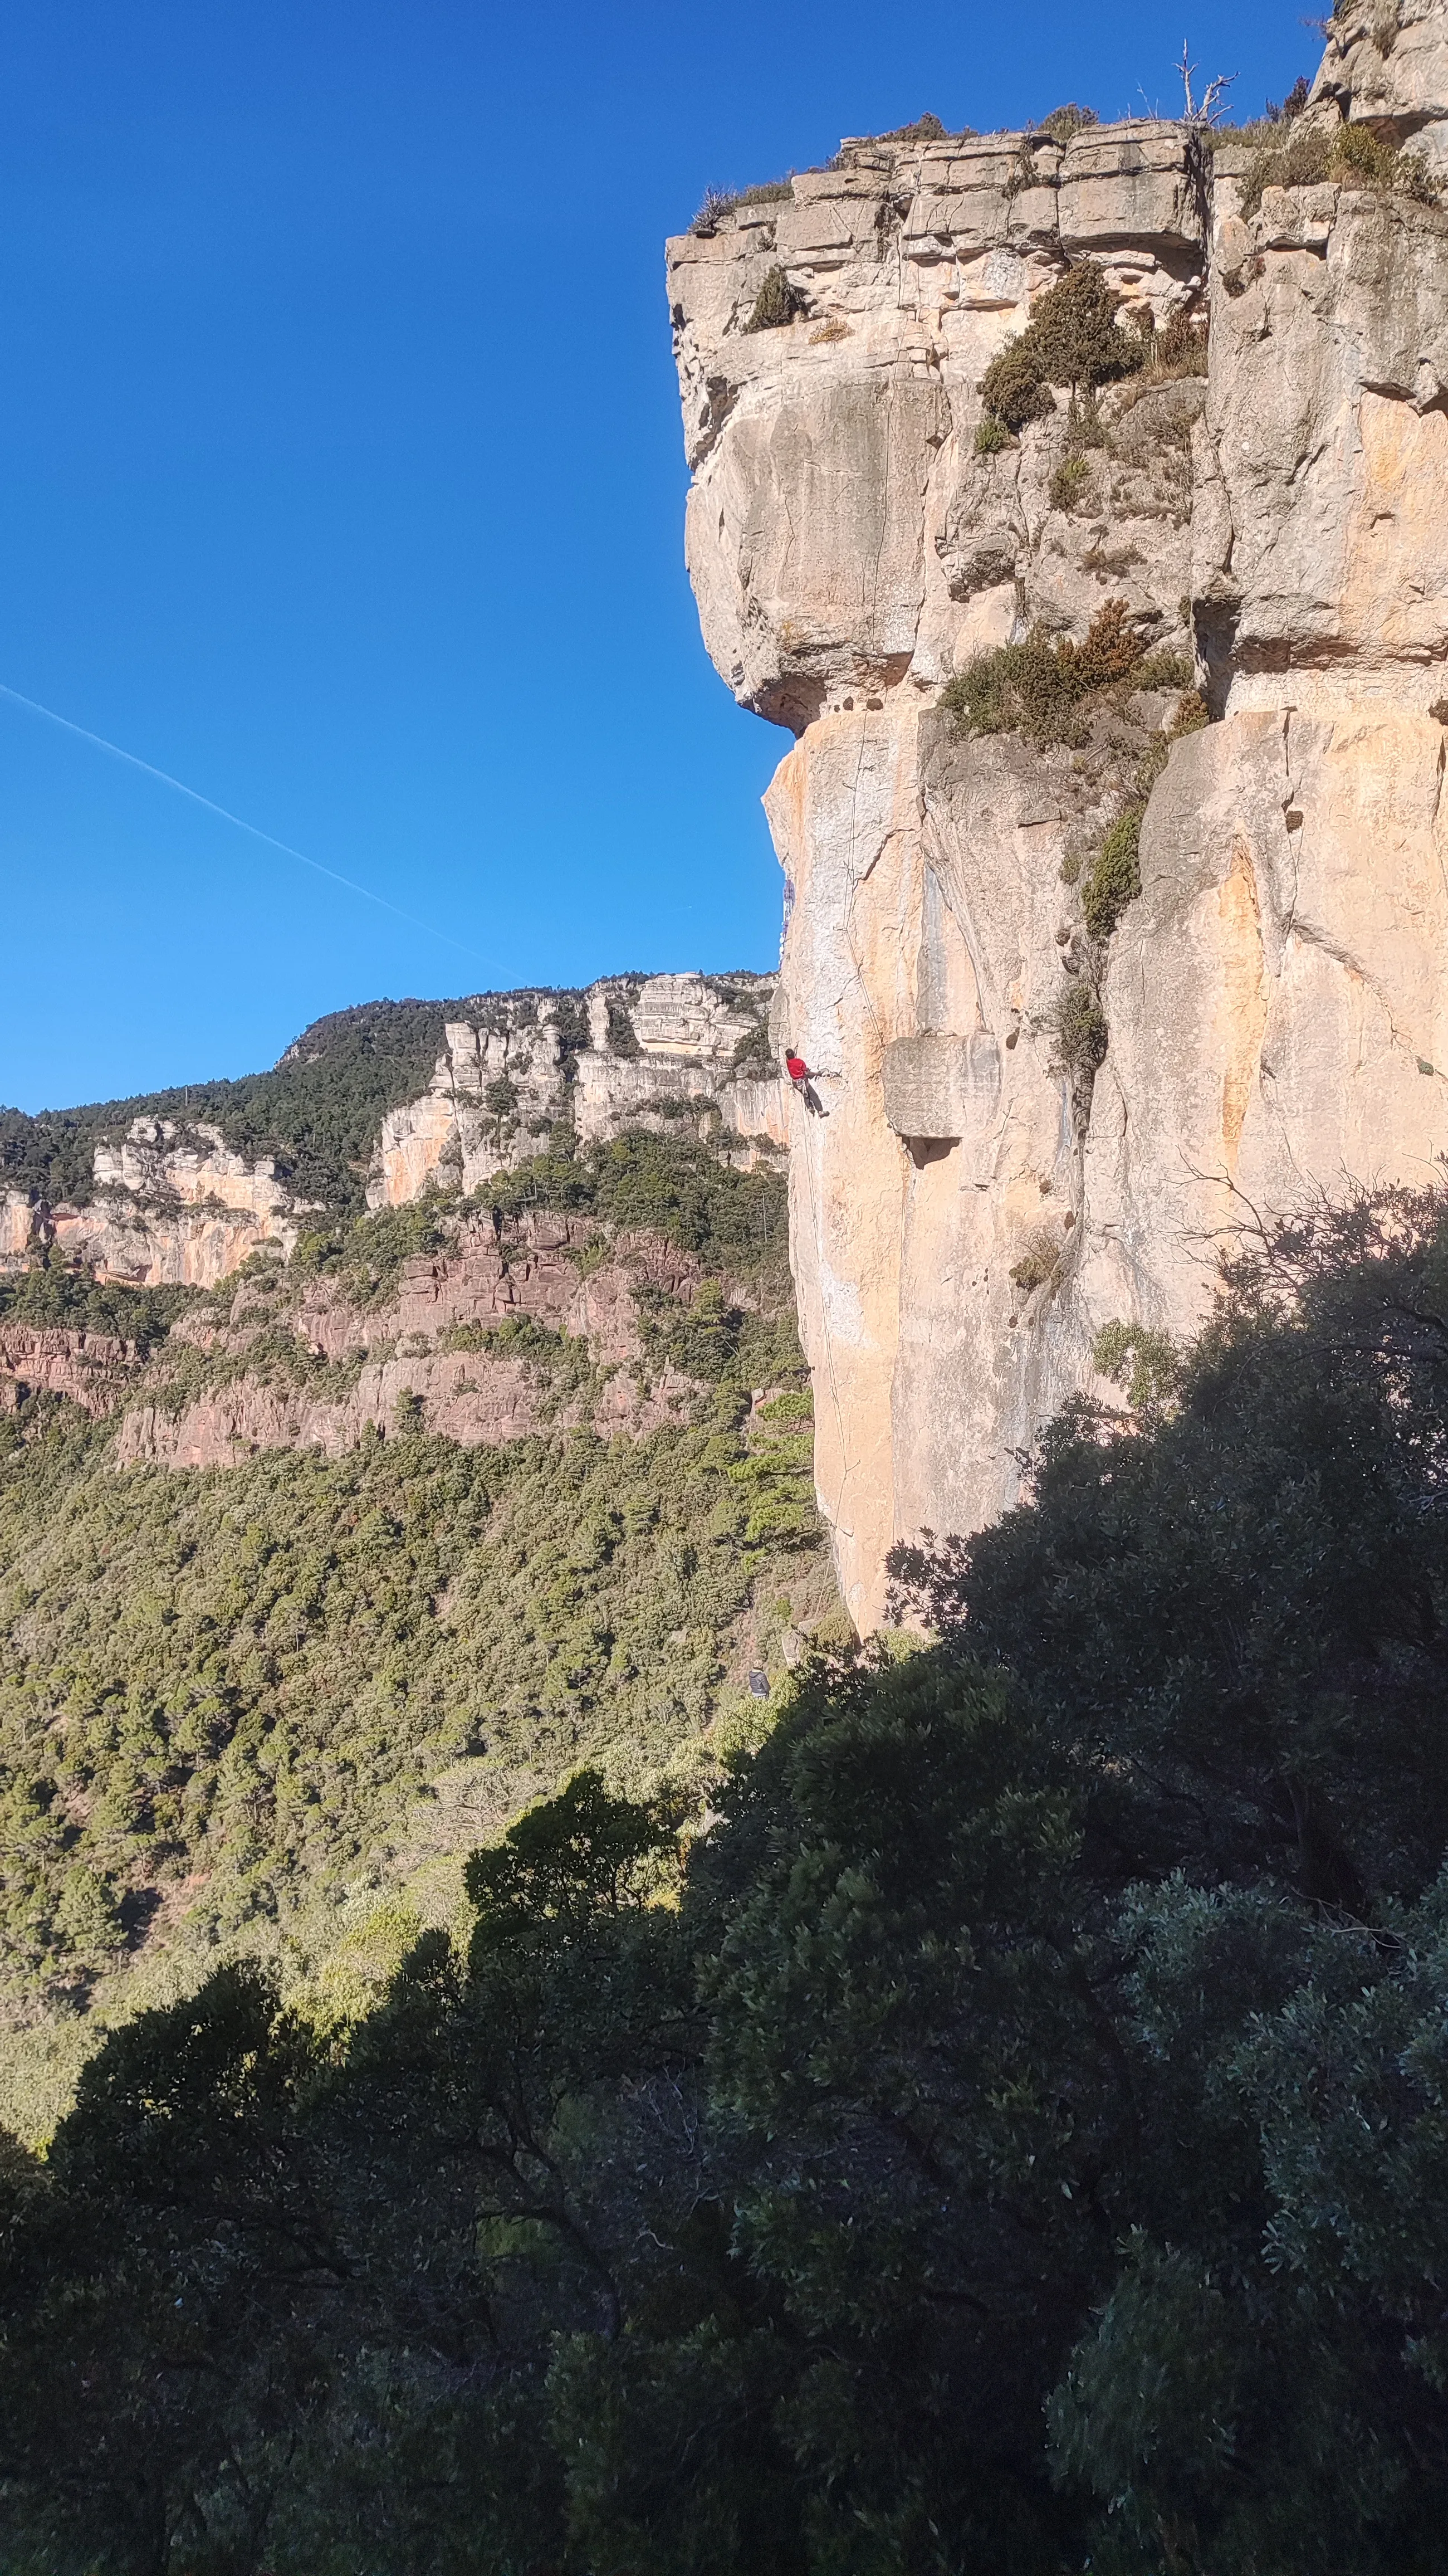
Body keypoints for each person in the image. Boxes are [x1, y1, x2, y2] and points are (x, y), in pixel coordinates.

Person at [783, 1046, 827, 1116]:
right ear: (794, 1054)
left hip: (795, 1083)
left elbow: (788, 1057)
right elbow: (807, 1073)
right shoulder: (800, 1062)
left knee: (805, 1094)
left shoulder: (788, 1062)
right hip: (803, 1082)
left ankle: (810, 1107)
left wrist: (793, 1049)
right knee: (813, 1095)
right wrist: (817, 1073)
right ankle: (820, 1111)